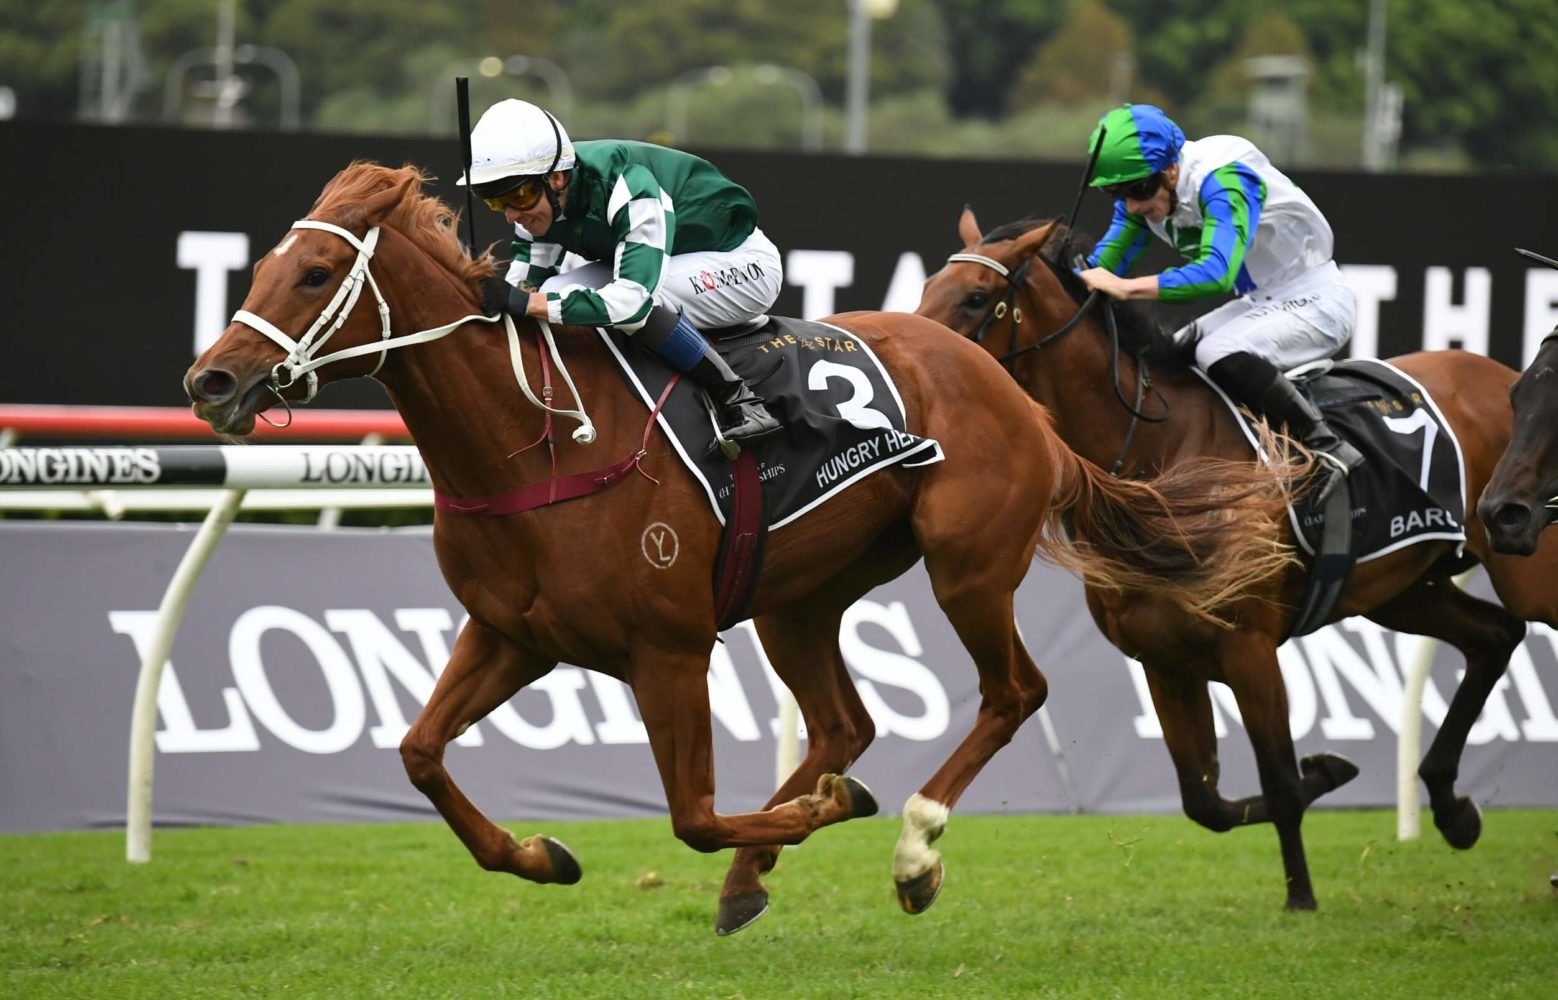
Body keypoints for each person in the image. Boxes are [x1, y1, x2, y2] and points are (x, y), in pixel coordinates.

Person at [1075, 103, 1363, 498]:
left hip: (1317, 299)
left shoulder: (1224, 178)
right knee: (1169, 356)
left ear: (1171, 169)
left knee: (1214, 350)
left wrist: (1127, 288)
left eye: (1139, 190)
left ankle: (1329, 448)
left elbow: (1217, 272)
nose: (1133, 206)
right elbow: (1103, 264)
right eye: (1117, 193)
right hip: (1261, 300)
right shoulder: (1142, 192)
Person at [459, 98, 781, 450]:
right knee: (554, 289)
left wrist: (526, 302)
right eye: (495, 202)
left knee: (642, 299)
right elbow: (521, 290)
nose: (510, 215)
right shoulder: (535, 206)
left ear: (556, 178)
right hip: (674, 258)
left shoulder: (627, 184)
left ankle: (738, 398)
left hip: (741, 263)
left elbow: (631, 303)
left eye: (519, 196)